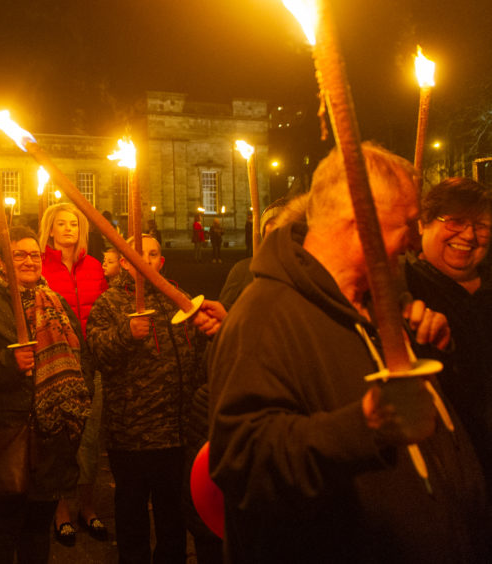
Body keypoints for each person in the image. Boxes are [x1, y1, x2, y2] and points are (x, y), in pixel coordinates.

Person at [207, 143, 488, 562]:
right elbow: (243, 464)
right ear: (361, 225)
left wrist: (439, 348)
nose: (414, 242)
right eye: (406, 226)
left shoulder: (379, 305)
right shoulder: (265, 315)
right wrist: (364, 426)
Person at [0, 226, 92, 564]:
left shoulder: (53, 301)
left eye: (34, 255)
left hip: (51, 436)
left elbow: (80, 354)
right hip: (6, 436)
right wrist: (6, 361)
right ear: (0, 260)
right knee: (1, 528)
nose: (29, 261)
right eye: (19, 255)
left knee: (37, 528)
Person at [86, 233, 221, 564]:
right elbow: (97, 353)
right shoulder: (109, 304)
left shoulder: (179, 299)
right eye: (138, 253)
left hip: (176, 432)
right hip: (132, 433)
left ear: (161, 261)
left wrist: (213, 334)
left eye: (153, 254)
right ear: (124, 262)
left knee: (173, 520)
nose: (146, 259)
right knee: (132, 519)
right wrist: (125, 335)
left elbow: (199, 357)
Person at [404, 177, 492, 514]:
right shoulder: (403, 289)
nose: (468, 236)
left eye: (481, 226)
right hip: (446, 475)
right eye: (454, 221)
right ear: (423, 224)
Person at [38, 202, 108, 545]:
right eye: (62, 224)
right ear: (50, 229)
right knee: (60, 438)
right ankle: (60, 508)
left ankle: (87, 504)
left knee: (90, 439)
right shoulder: (40, 267)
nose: (69, 229)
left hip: (91, 360)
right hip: (58, 361)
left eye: (74, 224)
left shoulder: (94, 267)